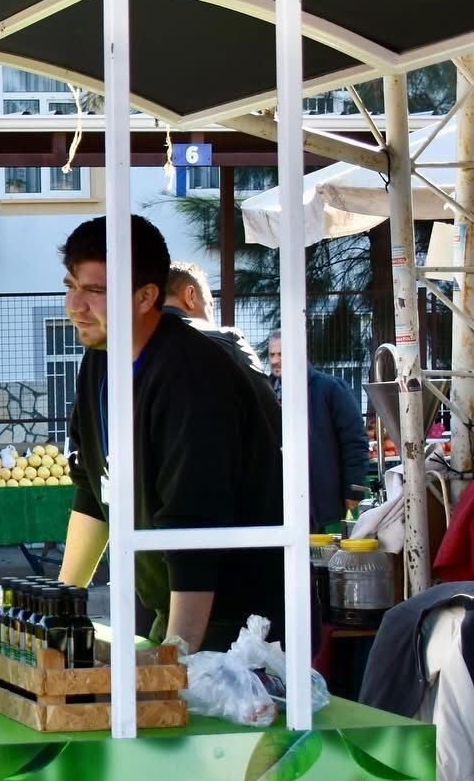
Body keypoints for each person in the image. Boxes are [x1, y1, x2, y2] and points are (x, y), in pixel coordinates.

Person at [56, 215, 285, 652]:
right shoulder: (101, 359)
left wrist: (176, 662)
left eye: (95, 291)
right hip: (174, 606)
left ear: (146, 296)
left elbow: (194, 529)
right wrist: (59, 608)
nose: (74, 305)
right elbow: (93, 487)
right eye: (71, 285)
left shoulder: (193, 376)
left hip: (242, 628)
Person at [268, 331, 370, 530]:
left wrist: (354, 492)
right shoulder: (266, 391)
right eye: (272, 355)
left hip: (320, 502)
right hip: (278, 501)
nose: (276, 360)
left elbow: (354, 442)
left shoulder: (330, 389)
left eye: (281, 354)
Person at [163, 261, 266, 378]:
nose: (212, 319)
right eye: (210, 305)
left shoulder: (139, 343)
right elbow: (264, 395)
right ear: (190, 295)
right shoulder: (227, 342)